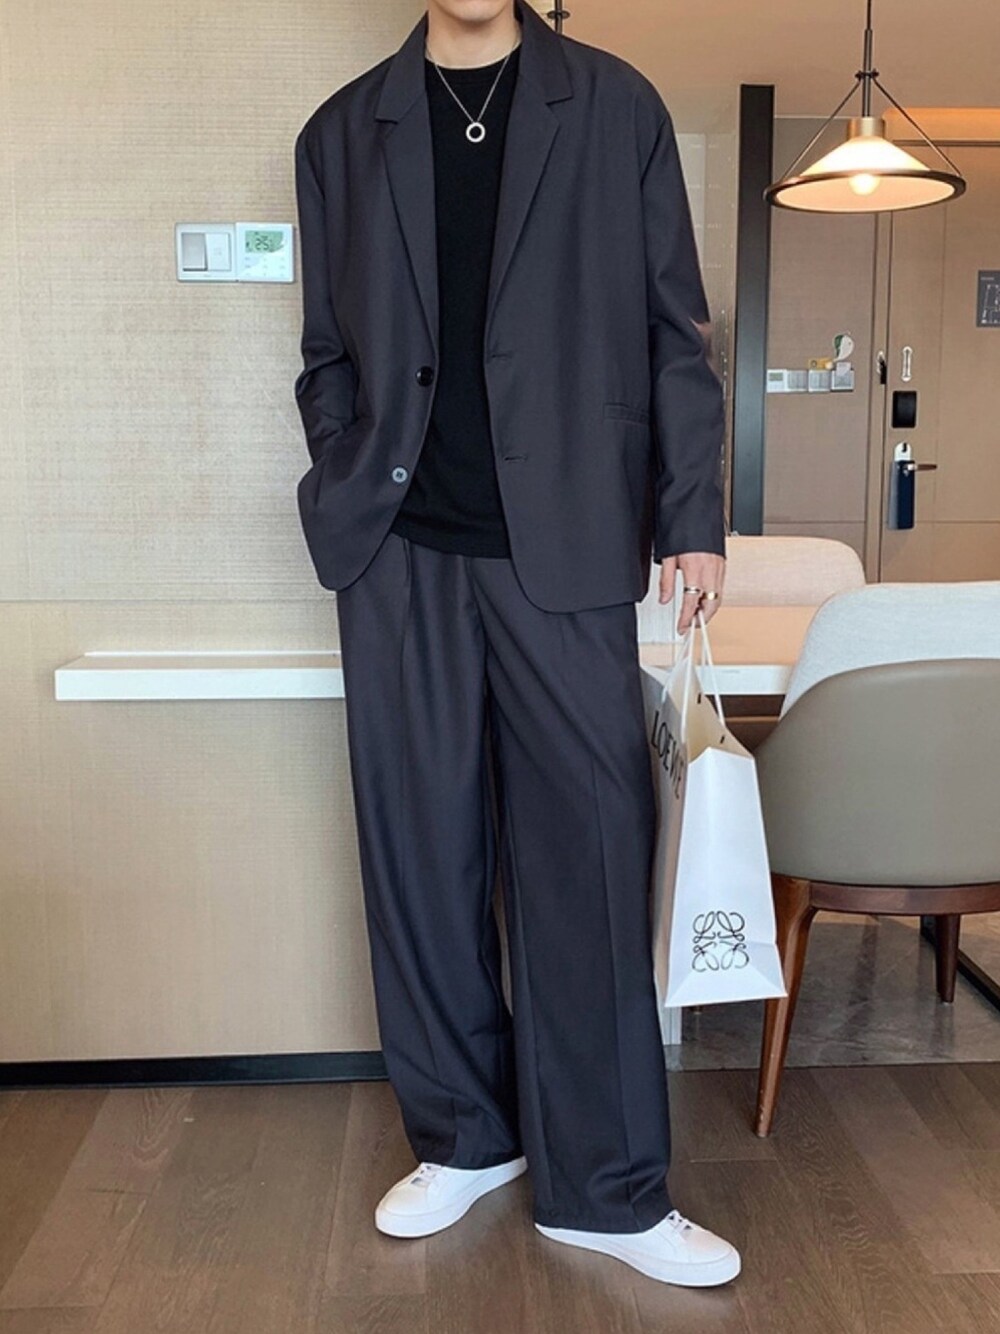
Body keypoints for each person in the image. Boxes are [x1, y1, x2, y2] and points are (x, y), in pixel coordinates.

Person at [293, 0, 737, 1289]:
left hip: (570, 549)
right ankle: (465, 1137)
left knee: (588, 856)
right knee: (419, 853)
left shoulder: (615, 106)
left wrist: (691, 517)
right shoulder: (342, 134)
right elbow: (326, 353)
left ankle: (607, 1189)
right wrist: (343, 468)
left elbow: (675, 332)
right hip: (398, 554)